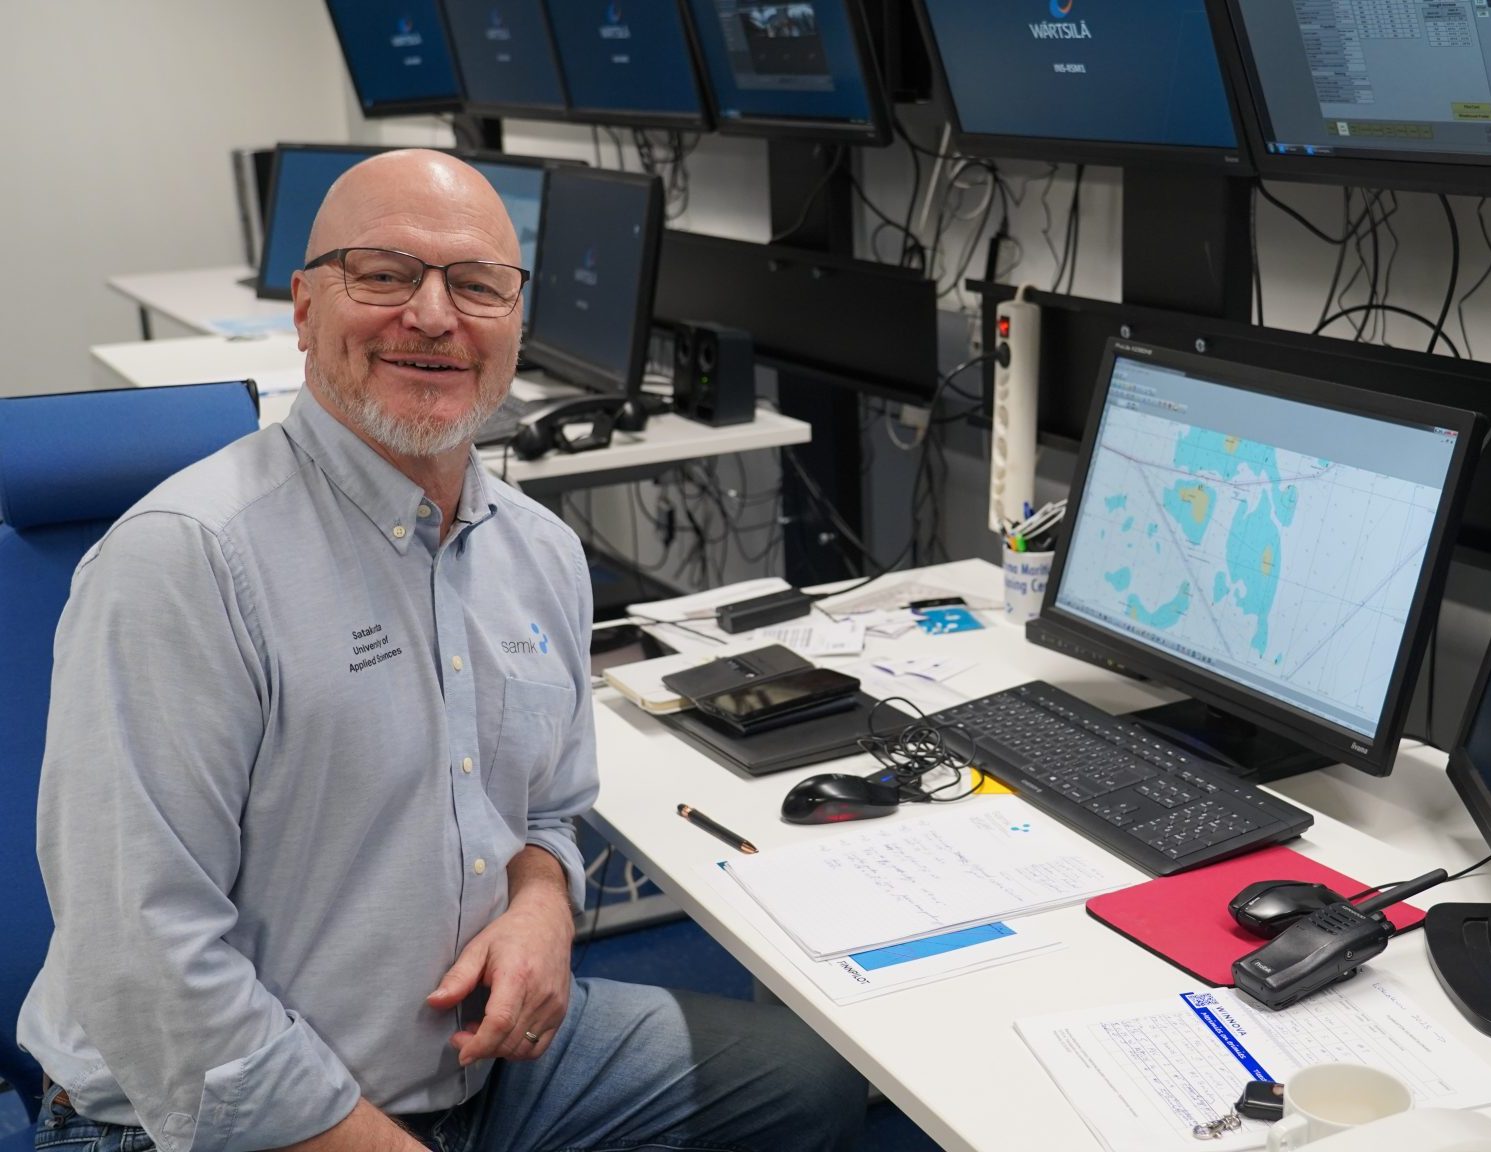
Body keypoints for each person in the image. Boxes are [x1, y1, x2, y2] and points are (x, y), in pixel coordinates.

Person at [19, 149, 864, 1152]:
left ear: (516, 322)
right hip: (206, 1113)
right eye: (383, 273)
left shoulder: (539, 553)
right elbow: (145, 962)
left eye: (476, 285)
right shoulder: (188, 562)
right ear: (303, 306)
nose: (431, 316)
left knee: (808, 1084)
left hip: (472, 1063)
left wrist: (543, 906)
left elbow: (547, 808)